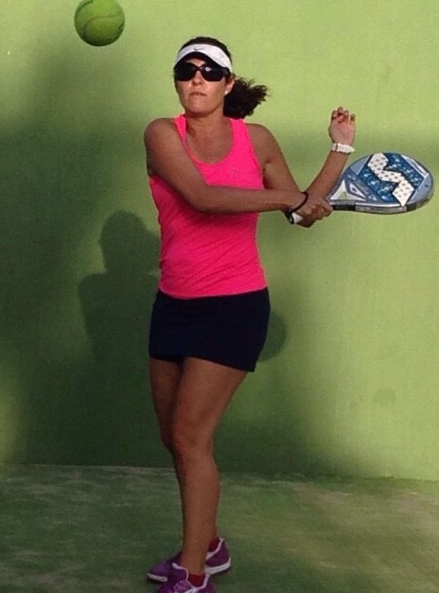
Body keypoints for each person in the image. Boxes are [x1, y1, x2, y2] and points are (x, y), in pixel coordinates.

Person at [144, 36, 356, 593]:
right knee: (173, 437)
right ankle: (209, 544)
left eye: (210, 71)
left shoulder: (256, 140)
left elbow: (302, 211)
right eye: (187, 69)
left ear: (228, 84)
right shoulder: (161, 134)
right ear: (177, 80)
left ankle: (194, 573)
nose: (197, 78)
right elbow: (202, 197)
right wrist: (288, 199)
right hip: (173, 304)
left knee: (191, 435)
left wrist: (339, 151)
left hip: (234, 306)